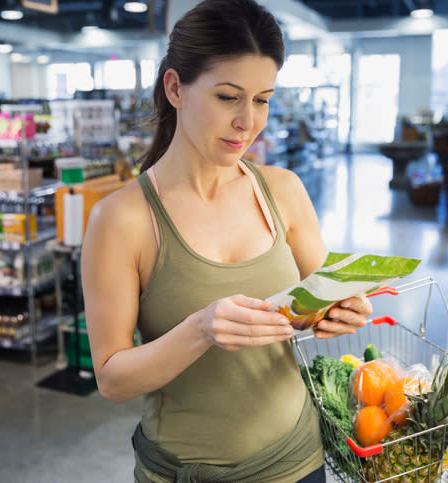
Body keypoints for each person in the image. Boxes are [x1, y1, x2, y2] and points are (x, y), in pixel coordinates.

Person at [80, 1, 372, 481]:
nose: (248, 122)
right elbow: (113, 379)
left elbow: (316, 301)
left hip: (299, 461)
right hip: (187, 471)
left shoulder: (283, 190)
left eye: (261, 99)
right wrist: (200, 330)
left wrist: (339, 310)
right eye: (227, 97)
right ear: (175, 88)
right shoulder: (122, 219)